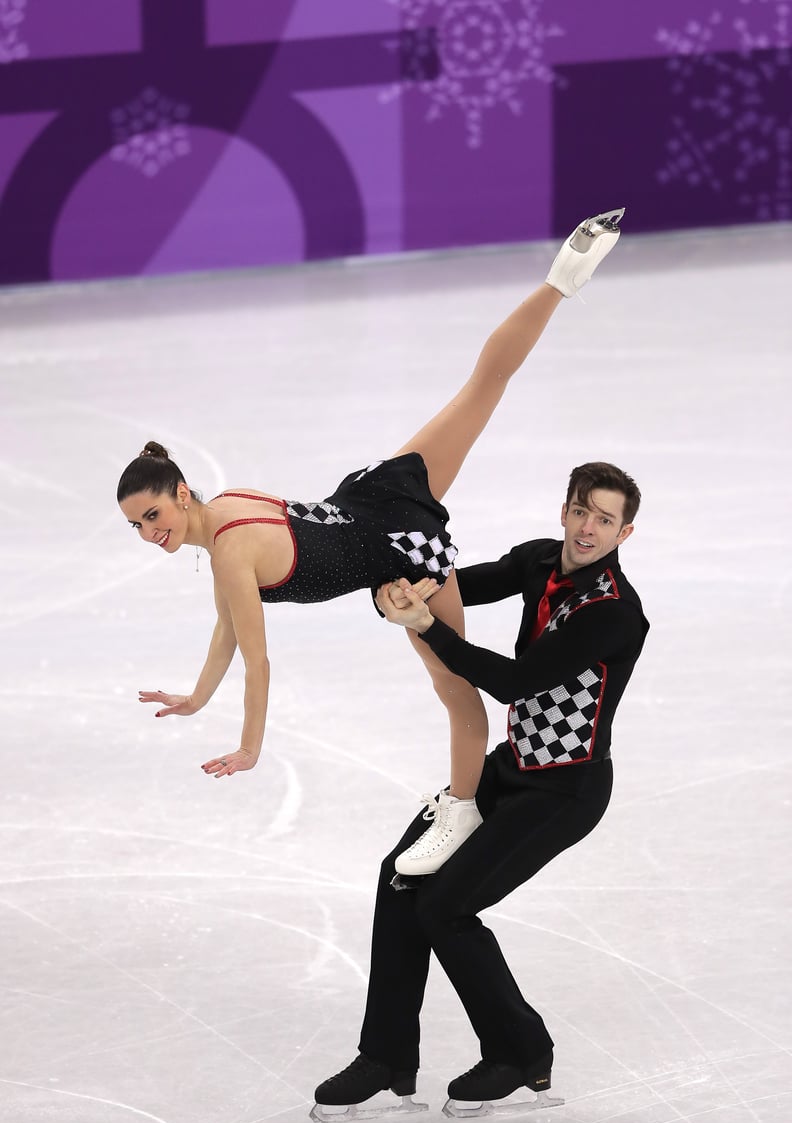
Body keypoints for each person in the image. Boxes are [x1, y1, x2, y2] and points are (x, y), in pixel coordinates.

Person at [117, 208, 625, 875]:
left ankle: (465, 805)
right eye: (138, 527)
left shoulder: (231, 555)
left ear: (181, 493)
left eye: (154, 514)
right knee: (481, 388)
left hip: (399, 549)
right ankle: (563, 277)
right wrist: (198, 696)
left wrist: (249, 746)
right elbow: (228, 629)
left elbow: (257, 657)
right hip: (372, 492)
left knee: (455, 686)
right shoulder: (229, 511)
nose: (152, 534)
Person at [312, 461, 649, 1121]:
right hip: (511, 766)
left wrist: (424, 626)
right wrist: (398, 578)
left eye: (604, 519)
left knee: (446, 907)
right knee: (402, 877)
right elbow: (456, 586)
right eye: (581, 510)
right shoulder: (536, 563)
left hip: (566, 791)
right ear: (564, 510)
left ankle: (520, 1051)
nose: (587, 527)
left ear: (624, 532)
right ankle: (386, 1057)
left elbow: (516, 683)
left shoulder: (614, 614)